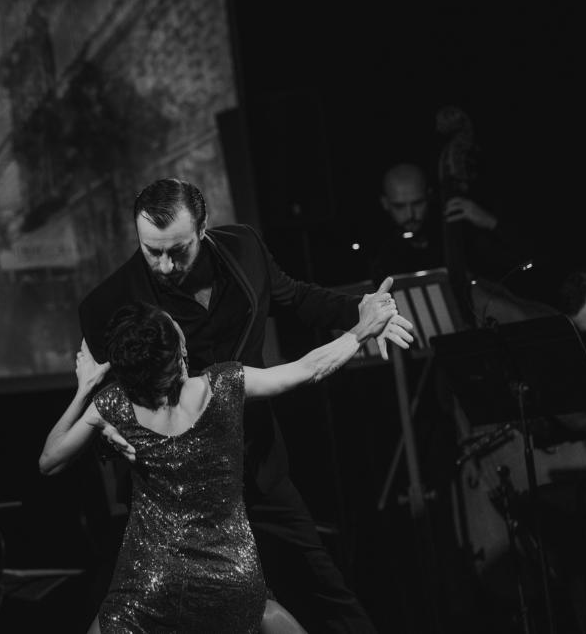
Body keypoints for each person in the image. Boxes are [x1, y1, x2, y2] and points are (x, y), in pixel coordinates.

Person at [78, 177, 415, 633]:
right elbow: (104, 396)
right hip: (180, 496)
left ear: (202, 228)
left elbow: (295, 297)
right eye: (151, 251)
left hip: (256, 461)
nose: (164, 265)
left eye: (177, 250)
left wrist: (360, 311)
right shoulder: (110, 302)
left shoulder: (244, 249)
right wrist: (104, 432)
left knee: (325, 591)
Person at [41, 297, 409, 633]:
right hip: (231, 575)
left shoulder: (116, 404)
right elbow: (309, 369)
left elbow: (50, 460)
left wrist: (85, 389)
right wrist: (362, 330)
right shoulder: (223, 385)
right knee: (268, 616)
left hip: (151, 581)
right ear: (179, 351)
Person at [369, 162, 527, 286]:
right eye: (399, 206)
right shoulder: (380, 250)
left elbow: (524, 257)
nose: (411, 215)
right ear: (385, 203)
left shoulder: (458, 228)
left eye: (418, 203)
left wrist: (491, 223)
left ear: (429, 196)